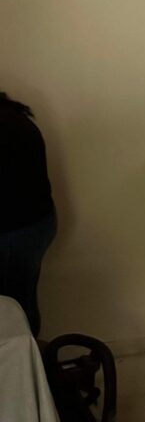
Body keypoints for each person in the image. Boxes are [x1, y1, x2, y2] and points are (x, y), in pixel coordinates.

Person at [0, 92, 57, 336]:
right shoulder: (13, 116)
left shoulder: (7, 126)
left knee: (13, 309)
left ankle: (22, 368)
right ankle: (27, 366)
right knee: (21, 303)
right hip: (34, 223)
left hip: (18, 230)